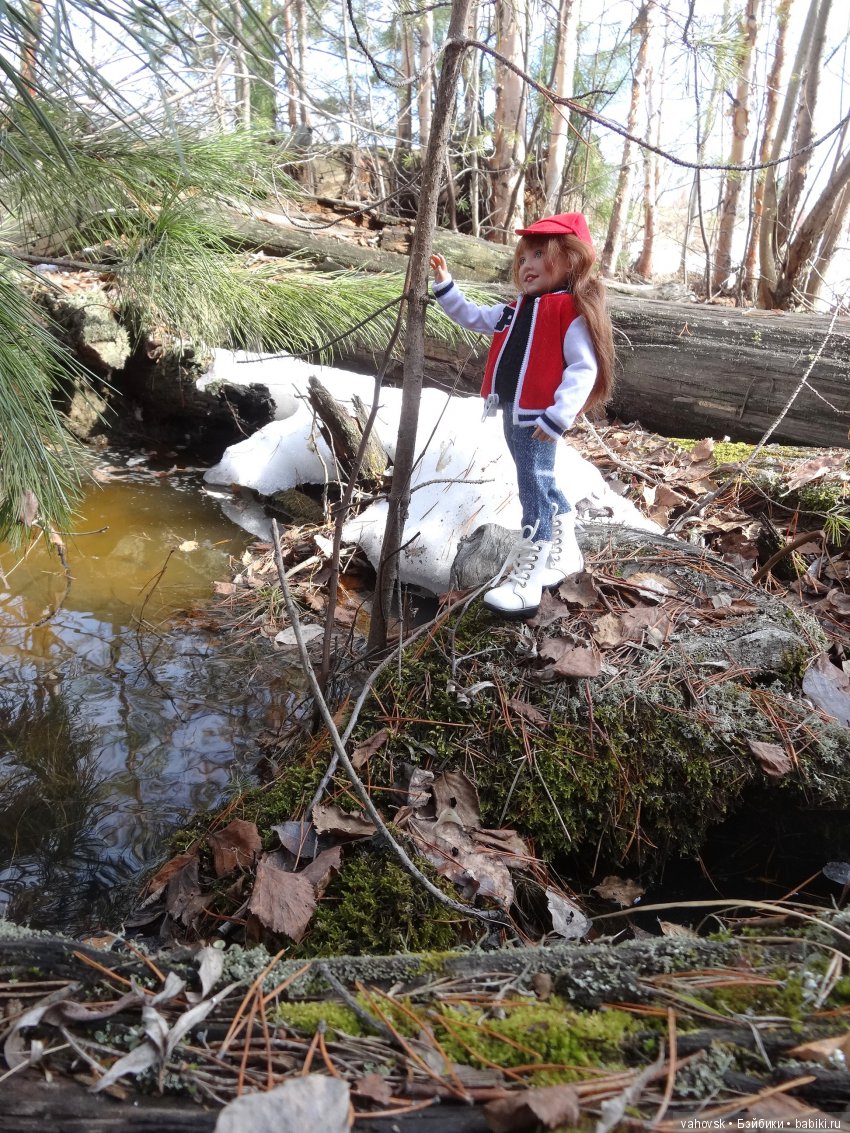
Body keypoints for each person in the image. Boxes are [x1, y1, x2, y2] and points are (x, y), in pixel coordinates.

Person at [430, 212, 614, 617]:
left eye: (538, 255)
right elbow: (473, 316)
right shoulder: (516, 310)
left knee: (532, 488)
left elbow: (584, 369)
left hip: (539, 418)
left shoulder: (570, 312)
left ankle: (528, 580)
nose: (526, 265)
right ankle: (563, 551)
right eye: (523, 258)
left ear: (571, 260)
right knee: (538, 480)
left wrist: (558, 415)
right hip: (514, 411)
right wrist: (445, 286)